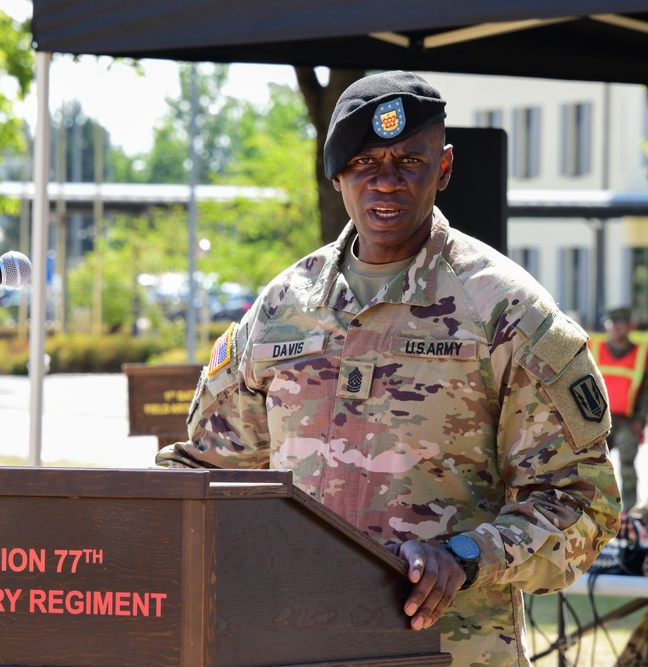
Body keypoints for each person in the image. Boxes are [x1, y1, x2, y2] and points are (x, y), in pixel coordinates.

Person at [156, 70, 620, 667]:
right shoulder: (281, 308)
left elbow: (584, 504)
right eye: (366, 161)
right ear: (336, 172)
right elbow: (207, 472)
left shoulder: (505, 312)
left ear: (444, 168)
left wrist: (469, 555)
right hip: (294, 645)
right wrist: (99, 520)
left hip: (448, 650)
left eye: (409, 161)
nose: (387, 181)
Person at [589, 306, 648, 512]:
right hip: (596, 420)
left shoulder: (641, 353)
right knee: (594, 466)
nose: (615, 327)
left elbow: (645, 390)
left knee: (628, 467)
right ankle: (595, 510)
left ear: (629, 326)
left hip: (626, 421)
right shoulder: (594, 347)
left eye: (620, 323)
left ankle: (630, 511)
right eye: (611, 323)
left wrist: (640, 420)